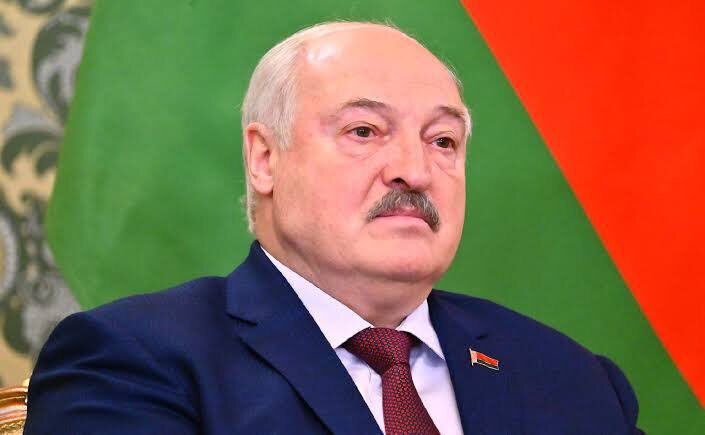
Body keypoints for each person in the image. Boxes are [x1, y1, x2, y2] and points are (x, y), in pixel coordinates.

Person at [24, 21, 644, 434]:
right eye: (364, 131)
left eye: (443, 141)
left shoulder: (571, 377)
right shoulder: (133, 361)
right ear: (265, 159)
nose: (414, 171)